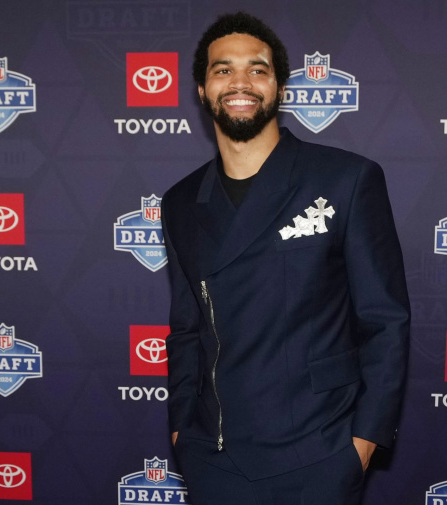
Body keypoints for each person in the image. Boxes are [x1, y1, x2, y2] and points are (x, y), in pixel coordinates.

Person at [160, 11, 411, 505]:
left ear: (279, 87)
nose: (240, 82)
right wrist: (180, 433)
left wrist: (360, 445)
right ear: (202, 90)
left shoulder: (345, 179)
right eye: (222, 69)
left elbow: (385, 320)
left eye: (258, 69)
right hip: (216, 455)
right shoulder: (181, 202)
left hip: (318, 453)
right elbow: (187, 328)